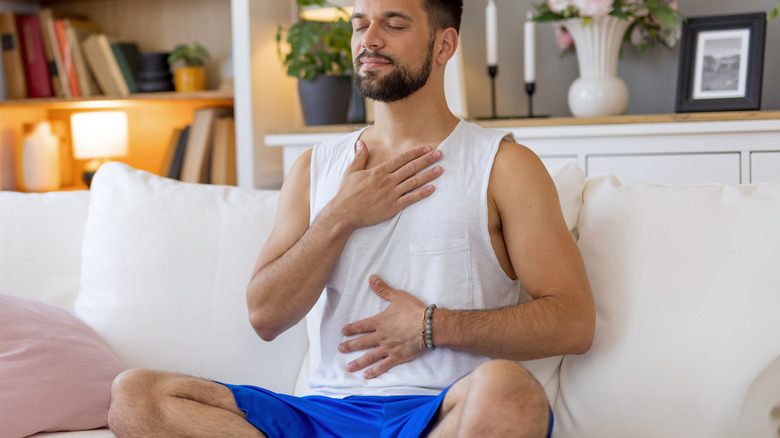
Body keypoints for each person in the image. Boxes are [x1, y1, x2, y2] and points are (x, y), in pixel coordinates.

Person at [107, 0, 595, 436]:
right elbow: (265, 315)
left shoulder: (503, 165)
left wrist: (431, 326)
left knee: (511, 392)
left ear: (445, 45)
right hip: (324, 414)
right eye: (360, 24)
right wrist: (340, 215)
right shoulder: (313, 168)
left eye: (394, 24)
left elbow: (573, 322)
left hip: (441, 412)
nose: (369, 40)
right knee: (137, 396)